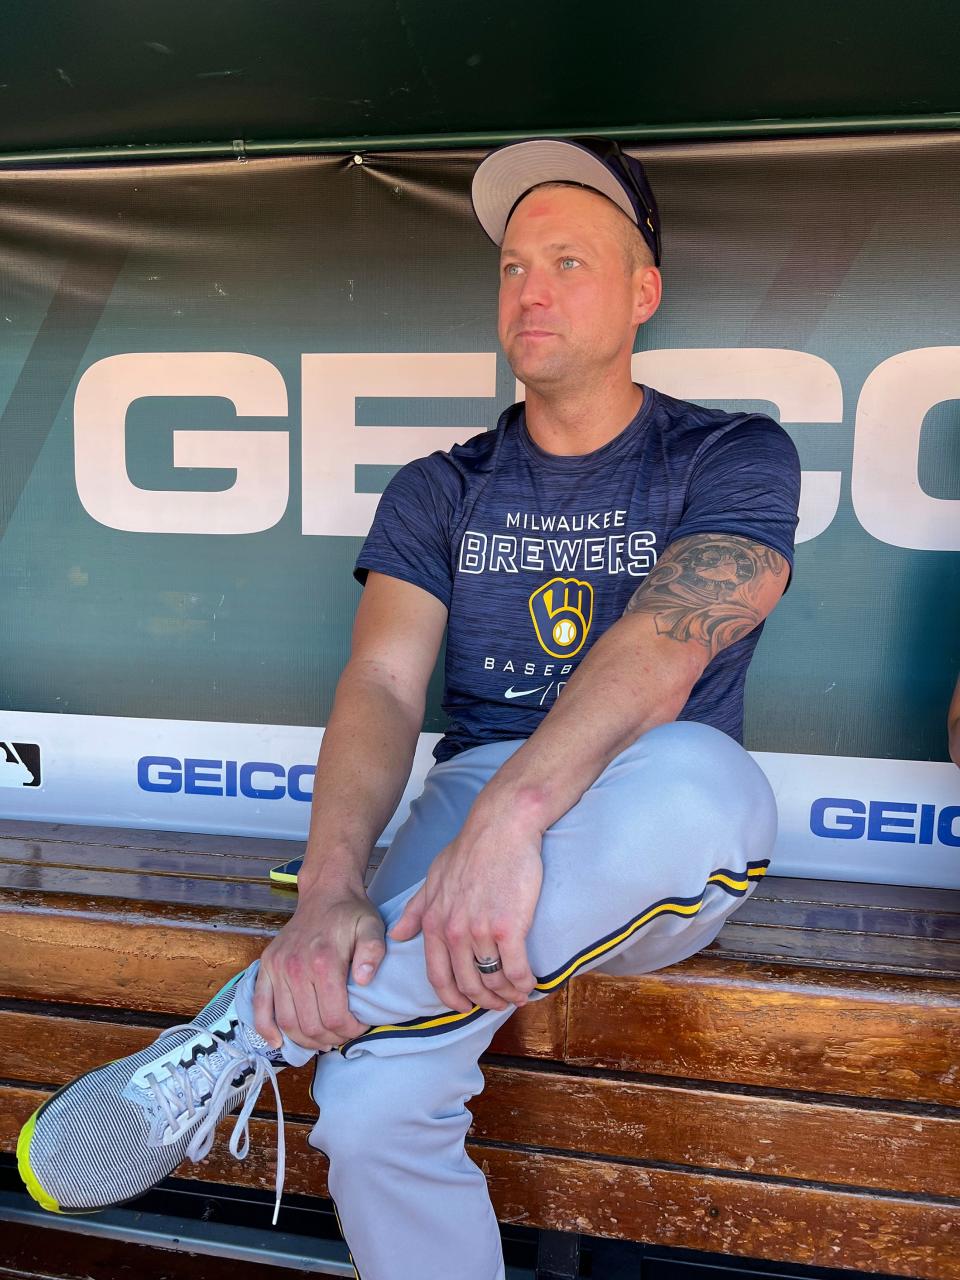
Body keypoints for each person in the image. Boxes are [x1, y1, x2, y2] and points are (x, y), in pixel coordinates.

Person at [18, 137, 801, 1280]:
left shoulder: (735, 452)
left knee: (707, 778)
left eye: (570, 260)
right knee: (373, 1106)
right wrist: (330, 895)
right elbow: (383, 688)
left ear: (644, 293)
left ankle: (246, 1029)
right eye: (513, 265)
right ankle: (303, 999)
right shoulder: (442, 484)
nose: (530, 288)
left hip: (638, 809)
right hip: (472, 795)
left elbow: (667, 647)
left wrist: (515, 821)